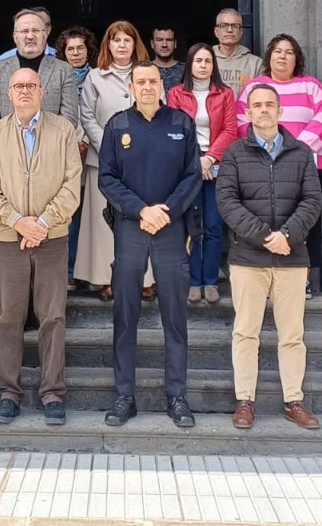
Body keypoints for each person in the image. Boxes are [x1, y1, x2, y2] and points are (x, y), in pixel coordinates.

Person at [97, 62, 201, 429]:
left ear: (162, 85)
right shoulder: (118, 125)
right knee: (125, 316)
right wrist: (141, 210)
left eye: (152, 81)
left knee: (175, 315)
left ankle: (177, 396)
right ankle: (124, 395)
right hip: (130, 227)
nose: (146, 86)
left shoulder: (181, 123)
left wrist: (166, 212)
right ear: (131, 85)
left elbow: (193, 175)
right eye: (140, 81)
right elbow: (106, 179)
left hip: (171, 228)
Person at [0, 68, 81, 426]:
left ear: (42, 91)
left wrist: (43, 223)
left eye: (31, 86)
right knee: (9, 318)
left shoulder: (63, 130)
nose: (24, 91)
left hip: (52, 238)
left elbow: (72, 183)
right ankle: (8, 392)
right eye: (18, 86)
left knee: (52, 317)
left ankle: (52, 393)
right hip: (9, 239)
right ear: (8, 93)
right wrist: (17, 221)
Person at [218, 83, 322, 431]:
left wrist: (287, 236)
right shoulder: (234, 153)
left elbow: (312, 201)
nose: (263, 110)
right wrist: (266, 237)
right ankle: (245, 401)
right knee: (246, 332)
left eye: (269, 105)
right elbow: (228, 203)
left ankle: (294, 400)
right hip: (248, 257)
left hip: (293, 257)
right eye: (256, 105)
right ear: (247, 113)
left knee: (292, 334)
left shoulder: (302, 153)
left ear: (279, 112)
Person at [235, 34, 322, 296]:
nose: (282, 56)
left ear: (296, 58)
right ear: (269, 57)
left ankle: (304, 280)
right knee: (267, 218)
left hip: (308, 165)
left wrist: (293, 151)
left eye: (289, 52)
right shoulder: (254, 87)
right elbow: (242, 121)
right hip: (260, 164)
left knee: (305, 222)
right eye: (277, 51)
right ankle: (267, 279)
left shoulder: (312, 87)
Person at [77, 20, 153, 300]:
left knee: (140, 219)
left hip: (141, 162)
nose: (121, 45)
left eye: (127, 40)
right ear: (108, 45)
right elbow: (86, 115)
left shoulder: (148, 73)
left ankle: (144, 279)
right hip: (104, 161)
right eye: (116, 40)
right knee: (104, 224)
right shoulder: (95, 77)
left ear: (136, 44)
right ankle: (105, 279)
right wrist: (109, 147)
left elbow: (159, 110)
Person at [165, 43, 236, 305]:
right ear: (190, 65)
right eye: (198, 61)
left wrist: (209, 158)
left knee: (214, 225)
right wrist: (197, 161)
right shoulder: (176, 94)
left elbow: (230, 129)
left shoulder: (225, 94)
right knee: (191, 226)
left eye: (208, 61)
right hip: (187, 167)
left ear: (213, 66)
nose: (203, 66)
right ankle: (194, 281)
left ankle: (210, 281)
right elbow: (175, 129)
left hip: (217, 166)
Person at [0, 7, 79, 130]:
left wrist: (42, 141)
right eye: (25, 31)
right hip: (6, 147)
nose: (30, 36)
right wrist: (14, 141)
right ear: (15, 36)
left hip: (51, 147)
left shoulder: (64, 70)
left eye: (36, 30)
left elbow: (70, 119)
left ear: (45, 35)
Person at [54, 25, 98, 284]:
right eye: (70, 49)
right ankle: (68, 272)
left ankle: (88, 270)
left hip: (91, 152)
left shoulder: (97, 76)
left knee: (87, 215)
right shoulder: (56, 77)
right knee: (66, 215)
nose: (75, 53)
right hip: (62, 153)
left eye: (80, 48)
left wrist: (84, 142)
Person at [212, 8, 263, 95]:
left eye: (235, 26)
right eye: (224, 25)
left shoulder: (256, 64)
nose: (229, 30)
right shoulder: (206, 61)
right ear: (216, 31)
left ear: (241, 32)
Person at [150, 27, 185, 92]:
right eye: (159, 40)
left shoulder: (187, 70)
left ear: (175, 43)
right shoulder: (144, 69)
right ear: (152, 44)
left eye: (169, 40)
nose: (164, 45)